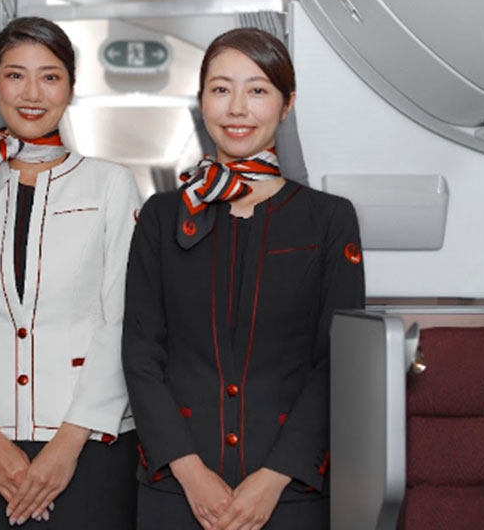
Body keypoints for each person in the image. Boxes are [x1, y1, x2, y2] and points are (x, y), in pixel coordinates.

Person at [122, 27, 365, 530]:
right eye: (221, 89)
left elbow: (336, 360)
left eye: (257, 90)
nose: (237, 108)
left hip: (291, 490)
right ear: (201, 101)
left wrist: (272, 479)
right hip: (175, 488)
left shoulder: (328, 219)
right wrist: (192, 474)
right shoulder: (161, 216)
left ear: (286, 103)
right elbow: (141, 355)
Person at [0, 16, 141, 529]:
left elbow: (124, 321)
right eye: (15, 75)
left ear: (71, 89)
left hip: (91, 440)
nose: (33, 93)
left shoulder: (110, 185)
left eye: (50, 76)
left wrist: (66, 446)